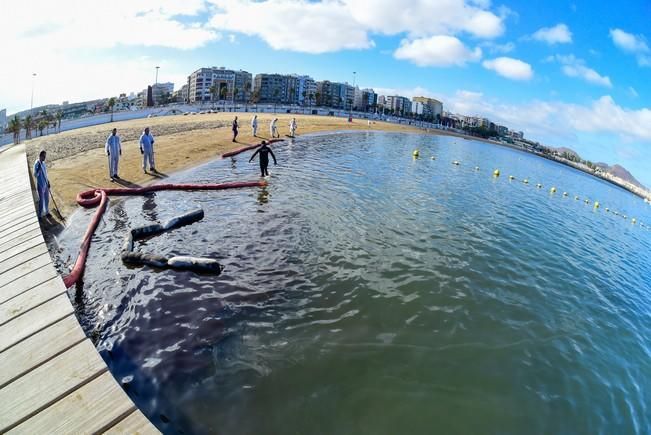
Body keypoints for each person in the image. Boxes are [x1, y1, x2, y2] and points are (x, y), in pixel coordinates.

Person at [33, 150, 51, 218]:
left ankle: (46, 212)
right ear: (40, 156)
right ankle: (40, 215)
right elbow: (35, 174)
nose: (44, 158)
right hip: (40, 185)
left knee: (47, 199)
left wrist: (48, 181)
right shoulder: (37, 163)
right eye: (43, 156)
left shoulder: (43, 163)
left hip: (45, 184)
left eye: (45, 156)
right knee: (41, 201)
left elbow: (45, 173)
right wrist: (38, 169)